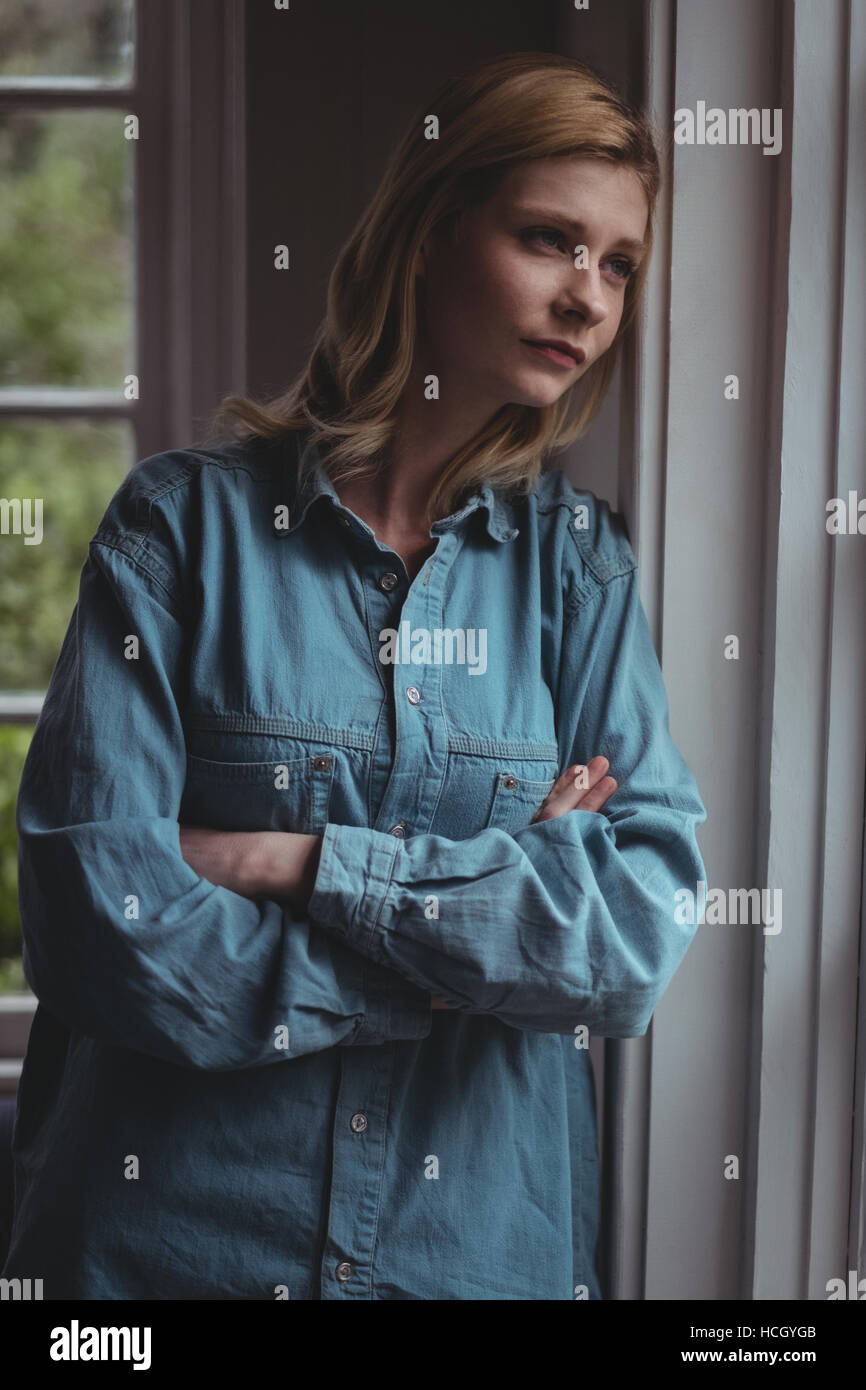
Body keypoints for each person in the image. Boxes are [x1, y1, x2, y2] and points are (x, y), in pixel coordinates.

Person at [2, 50, 706, 1300]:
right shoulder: (177, 532)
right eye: (550, 239)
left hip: (474, 1263)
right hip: (164, 1263)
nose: (589, 299)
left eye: (618, 264)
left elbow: (632, 933)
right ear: (431, 237)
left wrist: (296, 863)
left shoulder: (578, 574)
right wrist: (462, 960)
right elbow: (97, 923)